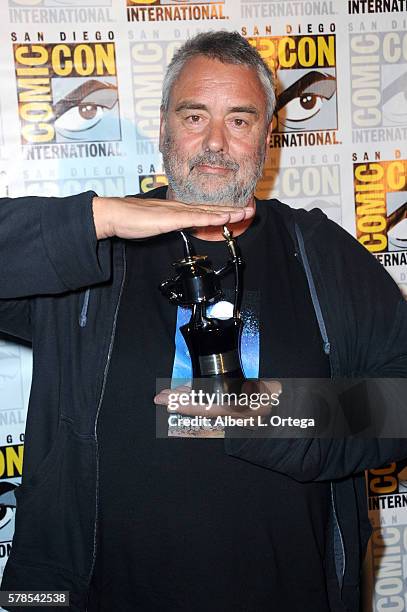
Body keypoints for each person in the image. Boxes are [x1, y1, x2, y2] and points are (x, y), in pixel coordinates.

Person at [0, 30, 406, 612]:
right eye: (195, 116)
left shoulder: (318, 252)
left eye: (240, 121)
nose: (216, 142)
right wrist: (99, 218)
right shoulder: (96, 253)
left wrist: (258, 415)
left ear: (268, 137)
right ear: (165, 126)